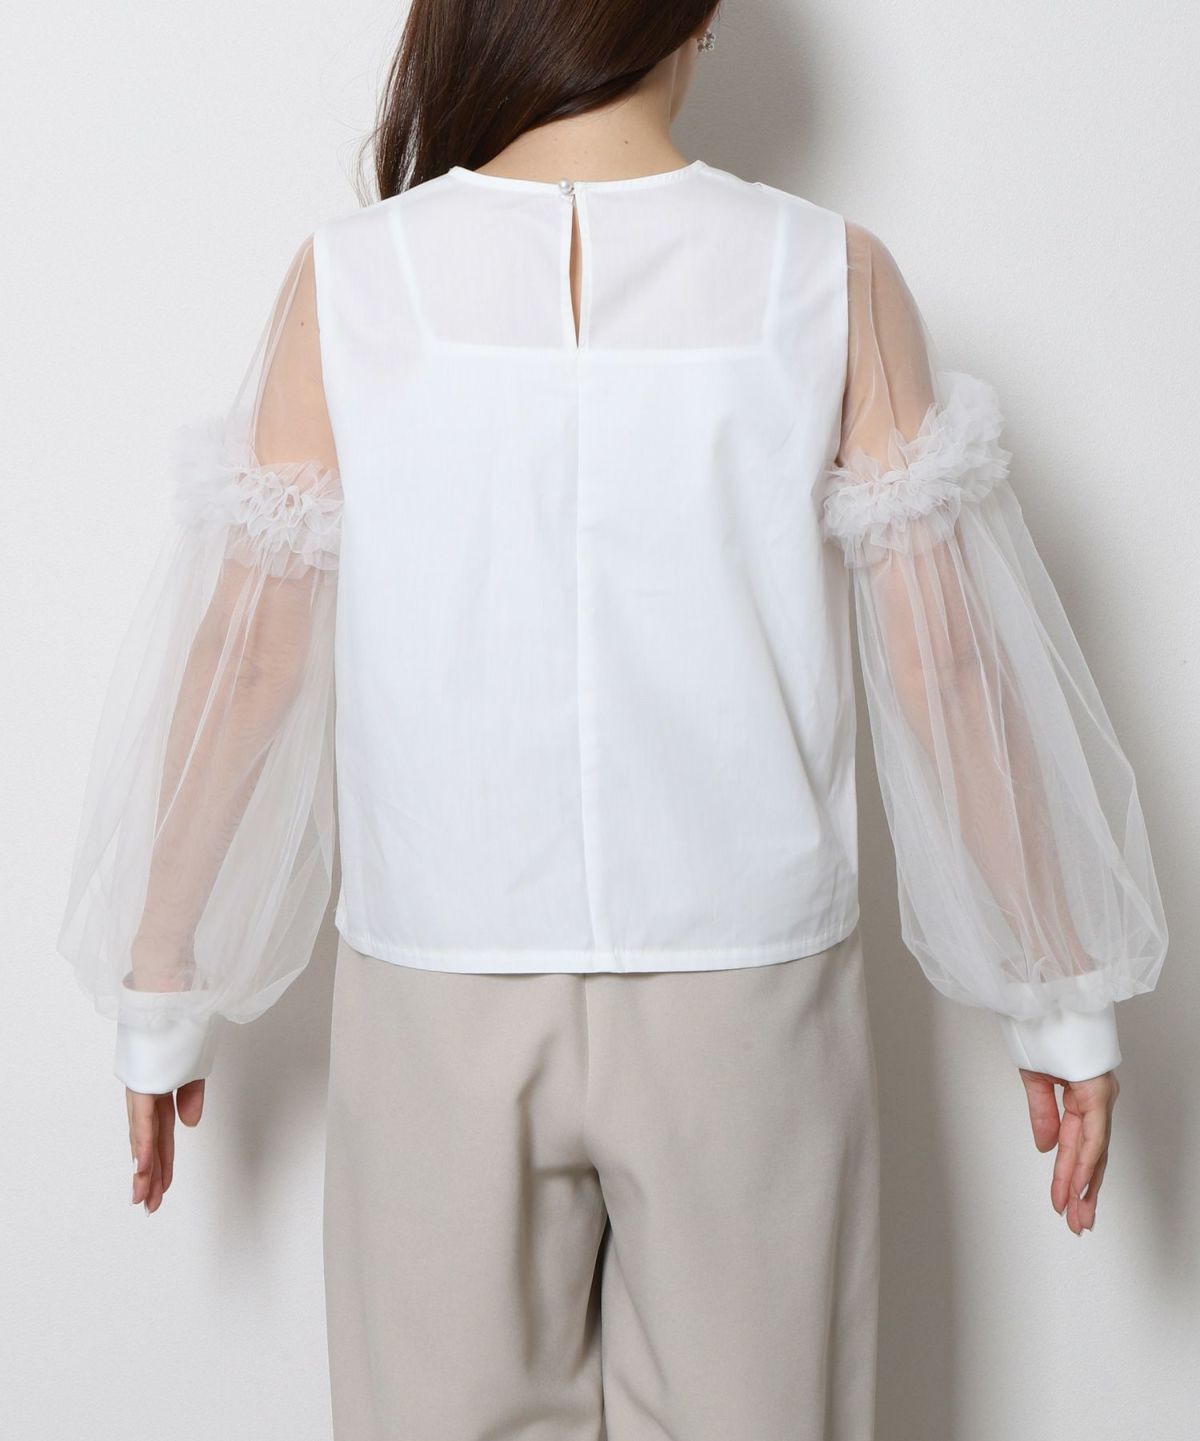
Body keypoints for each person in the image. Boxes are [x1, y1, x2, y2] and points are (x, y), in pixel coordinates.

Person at [57, 2, 1169, 1437]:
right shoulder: (825, 272)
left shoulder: (353, 279)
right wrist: (1060, 990)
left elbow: (248, 653)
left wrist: (163, 987)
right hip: (746, 994)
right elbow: (948, 666)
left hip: (439, 979)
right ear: (698, 16)